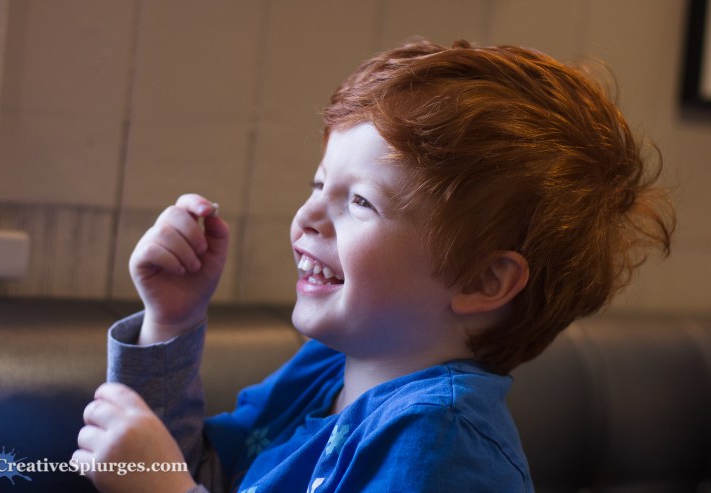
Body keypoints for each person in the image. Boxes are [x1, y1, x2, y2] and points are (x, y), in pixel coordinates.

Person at [72, 38, 675, 493]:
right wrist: (173, 321)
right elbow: (201, 472)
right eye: (319, 185)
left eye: (360, 202)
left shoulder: (441, 440)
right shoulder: (324, 370)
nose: (308, 216)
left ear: (483, 280)